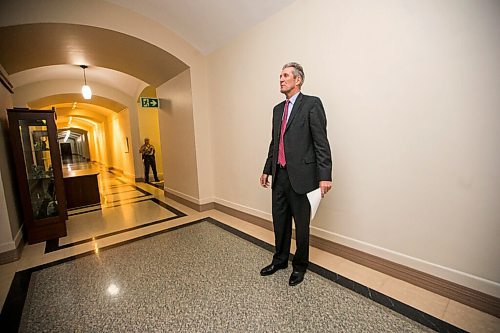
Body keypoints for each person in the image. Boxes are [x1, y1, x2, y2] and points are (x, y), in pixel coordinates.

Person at [260, 62, 333, 286]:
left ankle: (300, 266)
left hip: (303, 177)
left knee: (301, 225)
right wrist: (266, 169)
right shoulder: (277, 110)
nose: (281, 79)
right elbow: (276, 141)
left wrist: (325, 175)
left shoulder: (311, 104)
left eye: (285, 76)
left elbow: (321, 142)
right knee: (280, 221)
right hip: (279, 175)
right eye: (279, 76)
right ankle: (280, 259)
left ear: (297, 80)